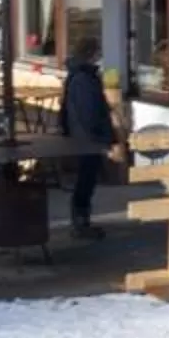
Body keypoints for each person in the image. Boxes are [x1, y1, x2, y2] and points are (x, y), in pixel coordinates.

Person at [58, 39, 119, 238]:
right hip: (87, 139)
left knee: (86, 180)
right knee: (85, 181)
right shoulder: (84, 79)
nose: (100, 56)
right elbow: (89, 112)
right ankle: (81, 223)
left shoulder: (79, 75)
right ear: (91, 54)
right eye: (98, 52)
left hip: (82, 136)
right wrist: (102, 135)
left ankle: (82, 221)